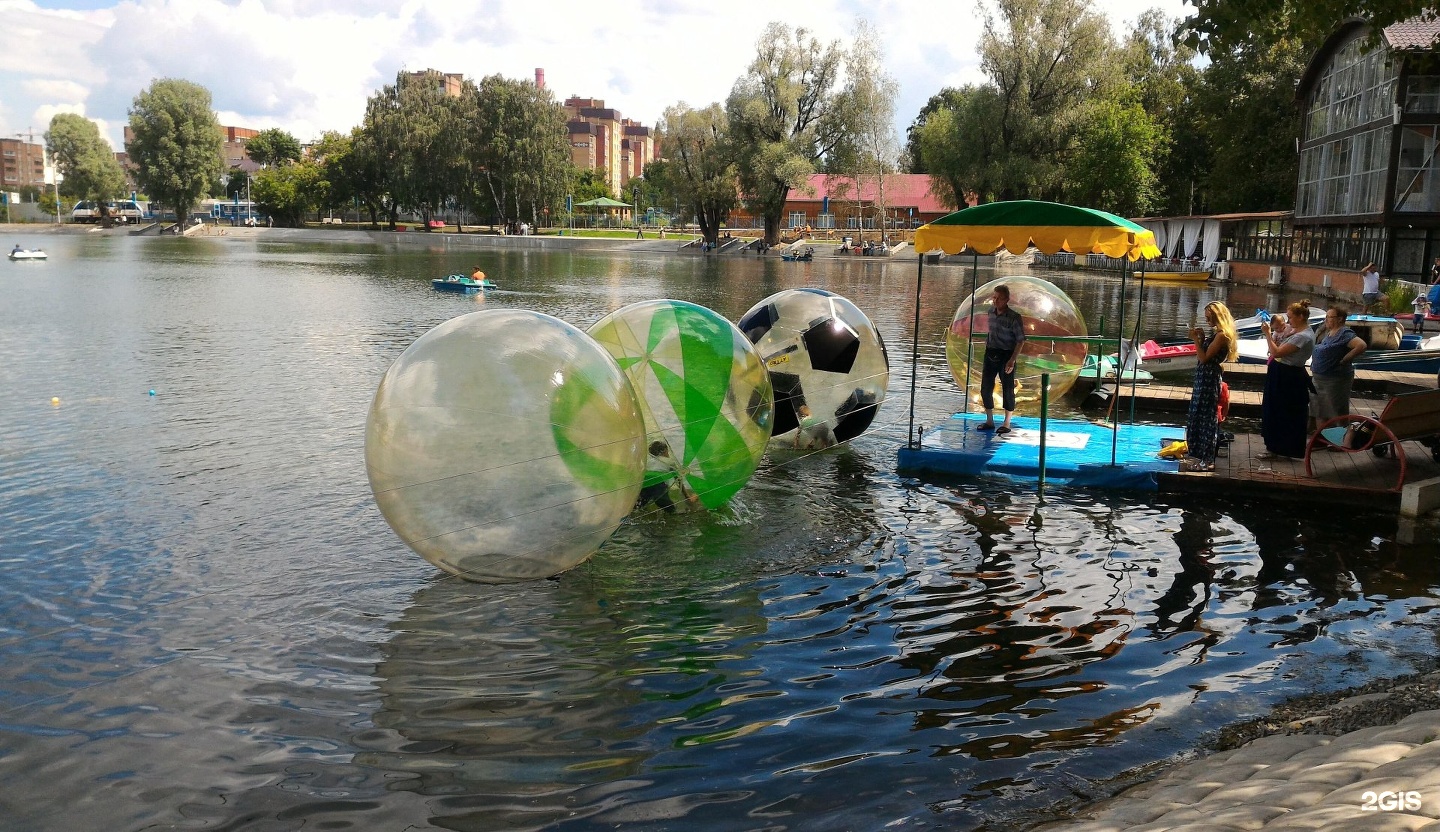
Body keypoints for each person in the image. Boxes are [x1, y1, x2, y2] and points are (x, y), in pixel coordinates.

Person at [1256, 301, 1317, 459]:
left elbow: (1276, 353)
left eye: (1290, 317)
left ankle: (1278, 449)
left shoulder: (1302, 337)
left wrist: (1268, 333)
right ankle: (1279, 447)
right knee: (1279, 410)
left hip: (1287, 375)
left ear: (1301, 316)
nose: (1288, 321)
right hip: (1285, 373)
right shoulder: (1300, 332)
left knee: (1280, 410)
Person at [1182, 301, 1237, 472]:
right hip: (1204, 378)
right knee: (1197, 415)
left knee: (1206, 418)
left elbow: (1204, 358)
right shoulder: (1217, 334)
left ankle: (1207, 459)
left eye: (1208, 318)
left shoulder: (1222, 335)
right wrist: (1202, 339)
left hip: (1208, 379)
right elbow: (1206, 353)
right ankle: (1198, 455)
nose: (1206, 321)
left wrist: (1195, 341)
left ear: (1217, 316)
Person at [1310, 305, 1368, 435]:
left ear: (1340, 319)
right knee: (1319, 410)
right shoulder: (1328, 332)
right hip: (1319, 379)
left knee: (1335, 410)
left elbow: (1361, 345)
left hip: (1335, 380)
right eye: (1326, 317)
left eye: (1329, 317)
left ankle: (1337, 441)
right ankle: (1321, 438)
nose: (1326, 320)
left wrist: (1345, 359)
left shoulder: (1345, 333)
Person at [976, 284, 1026, 435]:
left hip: (1007, 354)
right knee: (986, 387)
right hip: (991, 352)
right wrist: (988, 341)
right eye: (994, 297)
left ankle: (1007, 422)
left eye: (999, 298)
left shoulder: (1014, 317)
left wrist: (1012, 360)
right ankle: (989, 420)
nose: (995, 301)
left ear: (1006, 300)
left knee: (1008, 388)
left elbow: (1020, 340)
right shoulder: (991, 312)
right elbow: (991, 330)